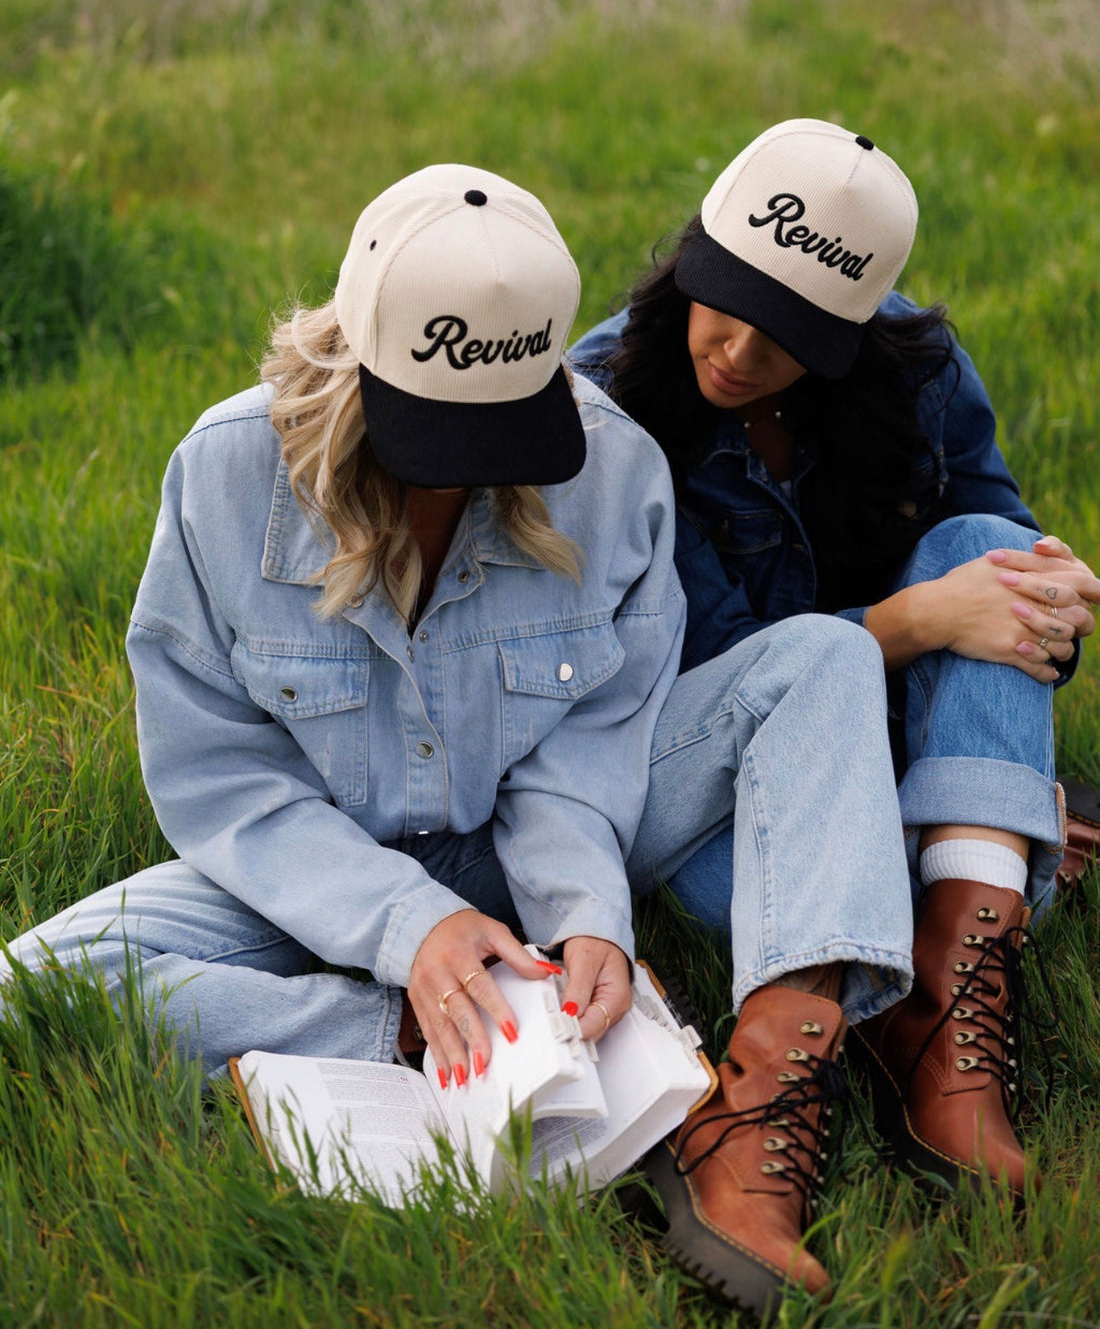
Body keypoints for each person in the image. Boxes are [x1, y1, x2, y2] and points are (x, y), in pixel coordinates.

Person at [2, 159, 923, 1318]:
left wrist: (586, 910)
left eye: (504, 430)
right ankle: (415, 1030)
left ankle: (749, 1108)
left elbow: (588, 743)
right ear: (355, 358)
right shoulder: (224, 478)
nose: (476, 473)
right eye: (438, 436)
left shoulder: (610, 469)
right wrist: (410, 932)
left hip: (535, 833)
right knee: (31, 989)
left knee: (821, 656)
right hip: (320, 858)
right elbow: (223, 777)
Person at [571, 118, 1100, 1262]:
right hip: (705, 785)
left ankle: (942, 1011)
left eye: (789, 332)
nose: (737, 350)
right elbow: (722, 667)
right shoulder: (607, 402)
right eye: (724, 296)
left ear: (852, 331)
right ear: (693, 254)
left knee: (980, 537)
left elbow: (990, 545)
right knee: (898, 730)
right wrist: (917, 623)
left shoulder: (910, 368)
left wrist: (1042, 597)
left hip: (891, 742)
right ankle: (958, 892)